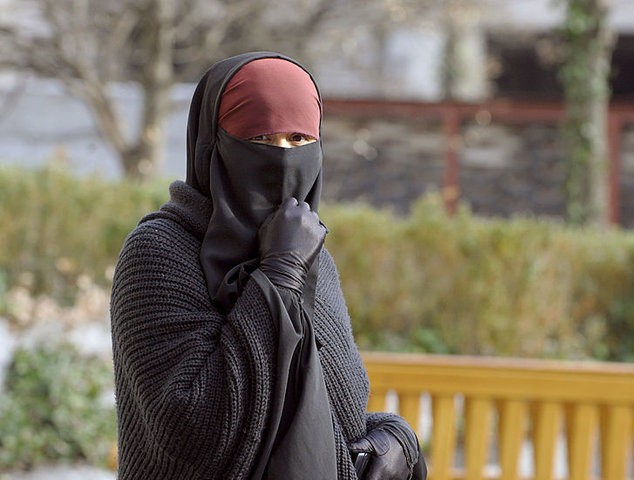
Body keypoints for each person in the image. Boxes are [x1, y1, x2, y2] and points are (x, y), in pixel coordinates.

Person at [110, 51, 427, 480]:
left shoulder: (313, 256)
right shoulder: (159, 252)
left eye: (299, 140)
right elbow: (193, 431)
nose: (282, 159)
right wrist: (280, 273)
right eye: (260, 140)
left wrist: (394, 437)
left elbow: (315, 410)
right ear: (212, 146)